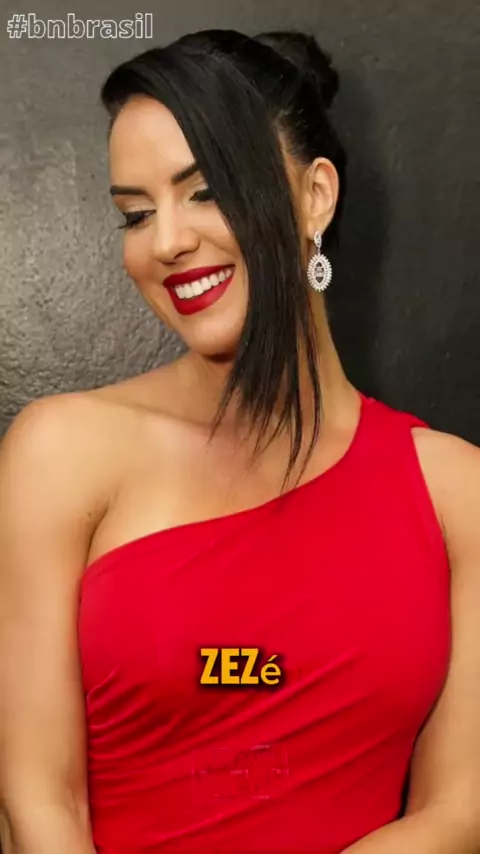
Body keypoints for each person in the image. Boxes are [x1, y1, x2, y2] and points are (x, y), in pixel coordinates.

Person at [0, 27, 479, 854]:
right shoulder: (62, 451)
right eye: (136, 214)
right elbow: (38, 803)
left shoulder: (457, 494)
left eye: (207, 190)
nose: (165, 242)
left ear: (315, 196)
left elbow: (458, 814)